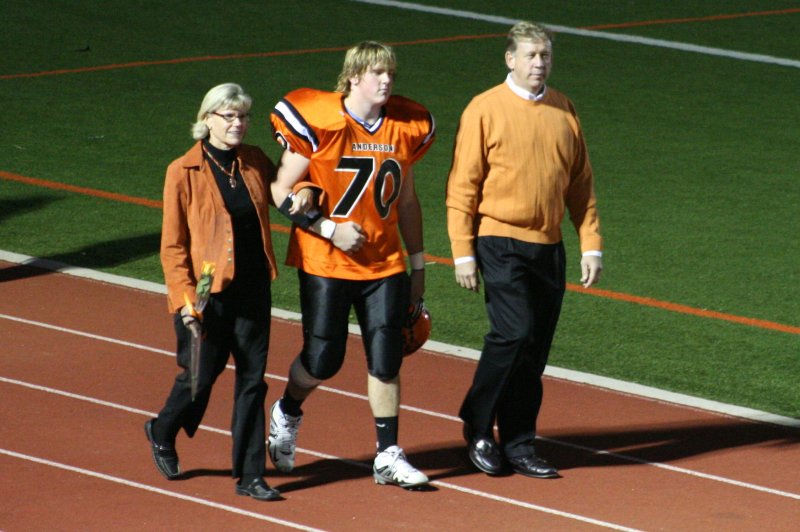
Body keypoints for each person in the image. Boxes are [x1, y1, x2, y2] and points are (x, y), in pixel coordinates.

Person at [267, 41, 435, 488]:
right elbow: (280, 189)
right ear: (354, 75)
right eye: (378, 73)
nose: (386, 81)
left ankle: (387, 454)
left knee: (386, 356)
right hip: (326, 259)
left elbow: (408, 199)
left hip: (383, 261)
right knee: (324, 358)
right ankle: (287, 409)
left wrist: (418, 265)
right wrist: (328, 229)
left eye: (391, 75)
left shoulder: (405, 124)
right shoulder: (321, 120)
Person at [446, 21, 603, 479]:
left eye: (545, 56)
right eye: (531, 55)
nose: (539, 64)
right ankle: (477, 425)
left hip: (548, 246)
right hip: (498, 240)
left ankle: (518, 441)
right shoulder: (484, 109)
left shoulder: (563, 109)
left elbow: (581, 185)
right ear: (510, 59)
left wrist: (590, 244)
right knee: (513, 333)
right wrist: (462, 251)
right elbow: (462, 186)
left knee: (534, 350)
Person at [145, 83, 282, 501]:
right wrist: (187, 300)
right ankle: (162, 429)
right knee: (199, 378)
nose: (238, 123)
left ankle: (250, 475)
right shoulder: (182, 171)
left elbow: (285, 193)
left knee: (253, 381)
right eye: (229, 116)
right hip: (206, 291)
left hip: (253, 288)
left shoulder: (255, 160)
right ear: (207, 120)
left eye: (243, 116)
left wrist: (308, 188)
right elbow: (172, 245)